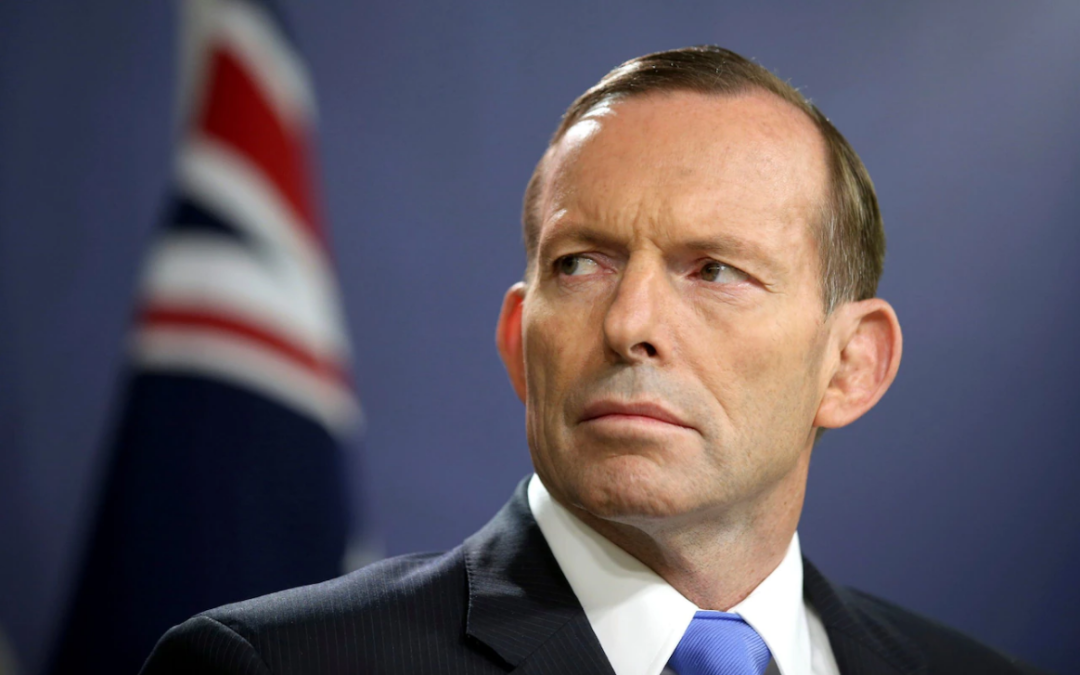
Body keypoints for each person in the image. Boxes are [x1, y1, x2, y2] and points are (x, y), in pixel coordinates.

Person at [141, 46, 1047, 675]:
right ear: (518, 340)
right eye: (580, 264)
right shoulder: (269, 666)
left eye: (713, 270)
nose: (630, 323)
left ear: (851, 364)